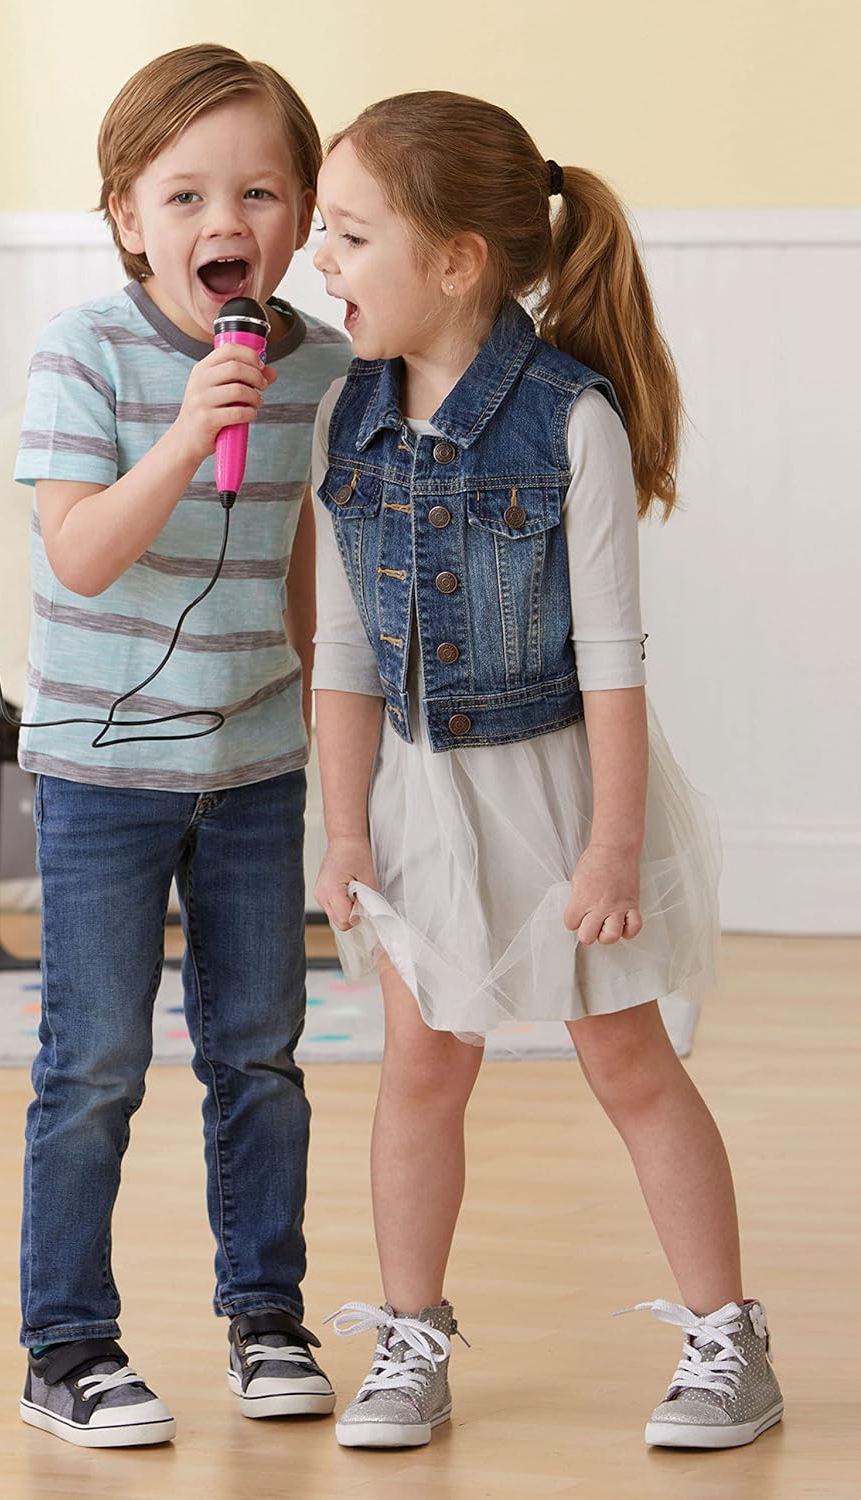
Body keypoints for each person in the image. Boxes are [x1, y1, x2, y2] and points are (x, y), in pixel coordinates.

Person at [309, 90, 781, 1452]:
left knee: (626, 1060)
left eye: (348, 236)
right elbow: (343, 647)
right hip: (416, 801)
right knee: (420, 1064)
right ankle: (411, 1334)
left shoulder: (571, 423)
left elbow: (615, 659)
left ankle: (725, 1338)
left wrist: (613, 850)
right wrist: (344, 829)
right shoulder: (347, 420)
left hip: (560, 794)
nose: (320, 264)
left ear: (456, 259)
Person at [13, 43, 352, 1448]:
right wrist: (182, 435)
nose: (228, 221)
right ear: (125, 214)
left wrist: (328, 743)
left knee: (260, 1056)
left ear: (303, 211)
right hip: (102, 773)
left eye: (263, 191)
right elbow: (81, 554)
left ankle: (266, 1315)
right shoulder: (82, 352)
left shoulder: (322, 364)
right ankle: (67, 1347)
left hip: (257, 769)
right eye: (188, 192)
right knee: (94, 1061)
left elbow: (293, 567)